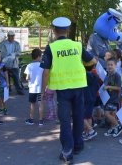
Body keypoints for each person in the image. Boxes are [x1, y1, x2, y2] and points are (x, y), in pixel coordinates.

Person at [40, 17, 97, 164]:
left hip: (63, 90)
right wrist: (83, 67)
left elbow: (45, 72)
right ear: (68, 30)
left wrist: (43, 91)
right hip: (79, 87)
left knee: (65, 120)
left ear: (54, 30)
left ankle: (67, 151)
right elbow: (92, 61)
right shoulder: (77, 46)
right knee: (78, 117)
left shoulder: (51, 48)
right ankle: (78, 145)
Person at [0, 31, 24, 95]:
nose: (11, 38)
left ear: (14, 36)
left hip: (14, 63)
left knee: (16, 77)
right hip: (4, 63)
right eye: (10, 36)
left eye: (12, 36)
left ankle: (19, 90)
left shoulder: (16, 44)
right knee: (6, 77)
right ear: (8, 36)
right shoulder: (2, 43)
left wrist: (14, 54)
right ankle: (7, 90)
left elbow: (19, 52)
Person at [103, 58, 122, 138]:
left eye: (111, 65)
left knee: (107, 114)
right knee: (112, 114)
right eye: (108, 65)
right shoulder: (107, 74)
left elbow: (119, 88)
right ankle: (113, 129)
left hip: (114, 99)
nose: (110, 66)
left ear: (115, 65)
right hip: (107, 98)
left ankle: (118, 126)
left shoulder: (117, 75)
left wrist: (108, 87)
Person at [24, 48, 45, 126]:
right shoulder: (42, 65)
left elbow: (27, 78)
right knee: (41, 103)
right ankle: (41, 120)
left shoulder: (29, 66)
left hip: (32, 89)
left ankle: (31, 119)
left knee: (32, 104)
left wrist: (29, 80)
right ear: (39, 56)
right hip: (40, 89)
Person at [82, 65, 100, 141]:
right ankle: (87, 133)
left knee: (81, 116)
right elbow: (97, 87)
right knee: (88, 116)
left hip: (85, 98)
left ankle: (90, 130)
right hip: (92, 98)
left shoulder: (83, 76)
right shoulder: (95, 76)